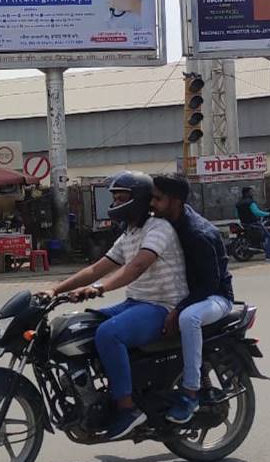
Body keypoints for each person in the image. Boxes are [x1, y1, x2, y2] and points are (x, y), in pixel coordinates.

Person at [41, 170, 188, 441]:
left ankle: (127, 408)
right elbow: (98, 268)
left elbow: (137, 266)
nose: (116, 203)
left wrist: (100, 288)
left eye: (122, 197)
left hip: (162, 306)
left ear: (139, 200)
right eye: (116, 197)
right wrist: (54, 290)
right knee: (77, 326)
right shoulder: (130, 233)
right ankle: (98, 394)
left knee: (110, 333)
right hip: (136, 302)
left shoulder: (158, 229)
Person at [151, 174, 234, 424]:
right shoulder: (166, 223)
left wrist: (178, 309)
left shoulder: (198, 233)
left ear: (174, 201)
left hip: (215, 297)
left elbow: (209, 284)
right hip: (186, 295)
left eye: (157, 198)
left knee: (189, 318)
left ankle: (190, 393)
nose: (152, 204)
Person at [236, 186, 270, 260]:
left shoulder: (238, 203)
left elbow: (236, 214)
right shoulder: (250, 202)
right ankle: (268, 255)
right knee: (268, 236)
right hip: (253, 223)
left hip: (244, 223)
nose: (253, 193)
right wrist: (269, 214)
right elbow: (257, 212)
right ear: (247, 193)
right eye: (251, 192)